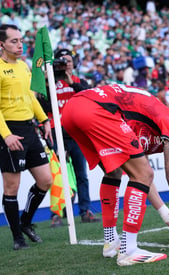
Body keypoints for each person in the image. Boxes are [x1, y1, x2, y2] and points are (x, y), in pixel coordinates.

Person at [61, 84, 169, 266]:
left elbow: (139, 176)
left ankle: (111, 242)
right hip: (97, 108)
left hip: (72, 111)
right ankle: (128, 250)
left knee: (114, 172)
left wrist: (165, 213)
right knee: (143, 173)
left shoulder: (146, 123)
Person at [0, 24, 52, 250]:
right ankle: (17, 238)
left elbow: (30, 97)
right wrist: (7, 135)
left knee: (46, 180)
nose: (20, 44)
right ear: (1, 44)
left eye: (21, 40)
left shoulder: (23, 66)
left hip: (29, 130)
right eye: (14, 41)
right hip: (9, 132)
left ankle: (25, 222)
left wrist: (44, 121)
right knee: (12, 187)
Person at [49, 48, 99, 223]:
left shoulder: (79, 81)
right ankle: (58, 213)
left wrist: (71, 83)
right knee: (59, 175)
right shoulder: (50, 83)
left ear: (73, 63)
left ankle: (85, 211)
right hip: (57, 135)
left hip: (77, 134)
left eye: (68, 61)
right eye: (61, 61)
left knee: (81, 175)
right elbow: (43, 105)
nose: (65, 64)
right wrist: (51, 82)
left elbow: (89, 97)